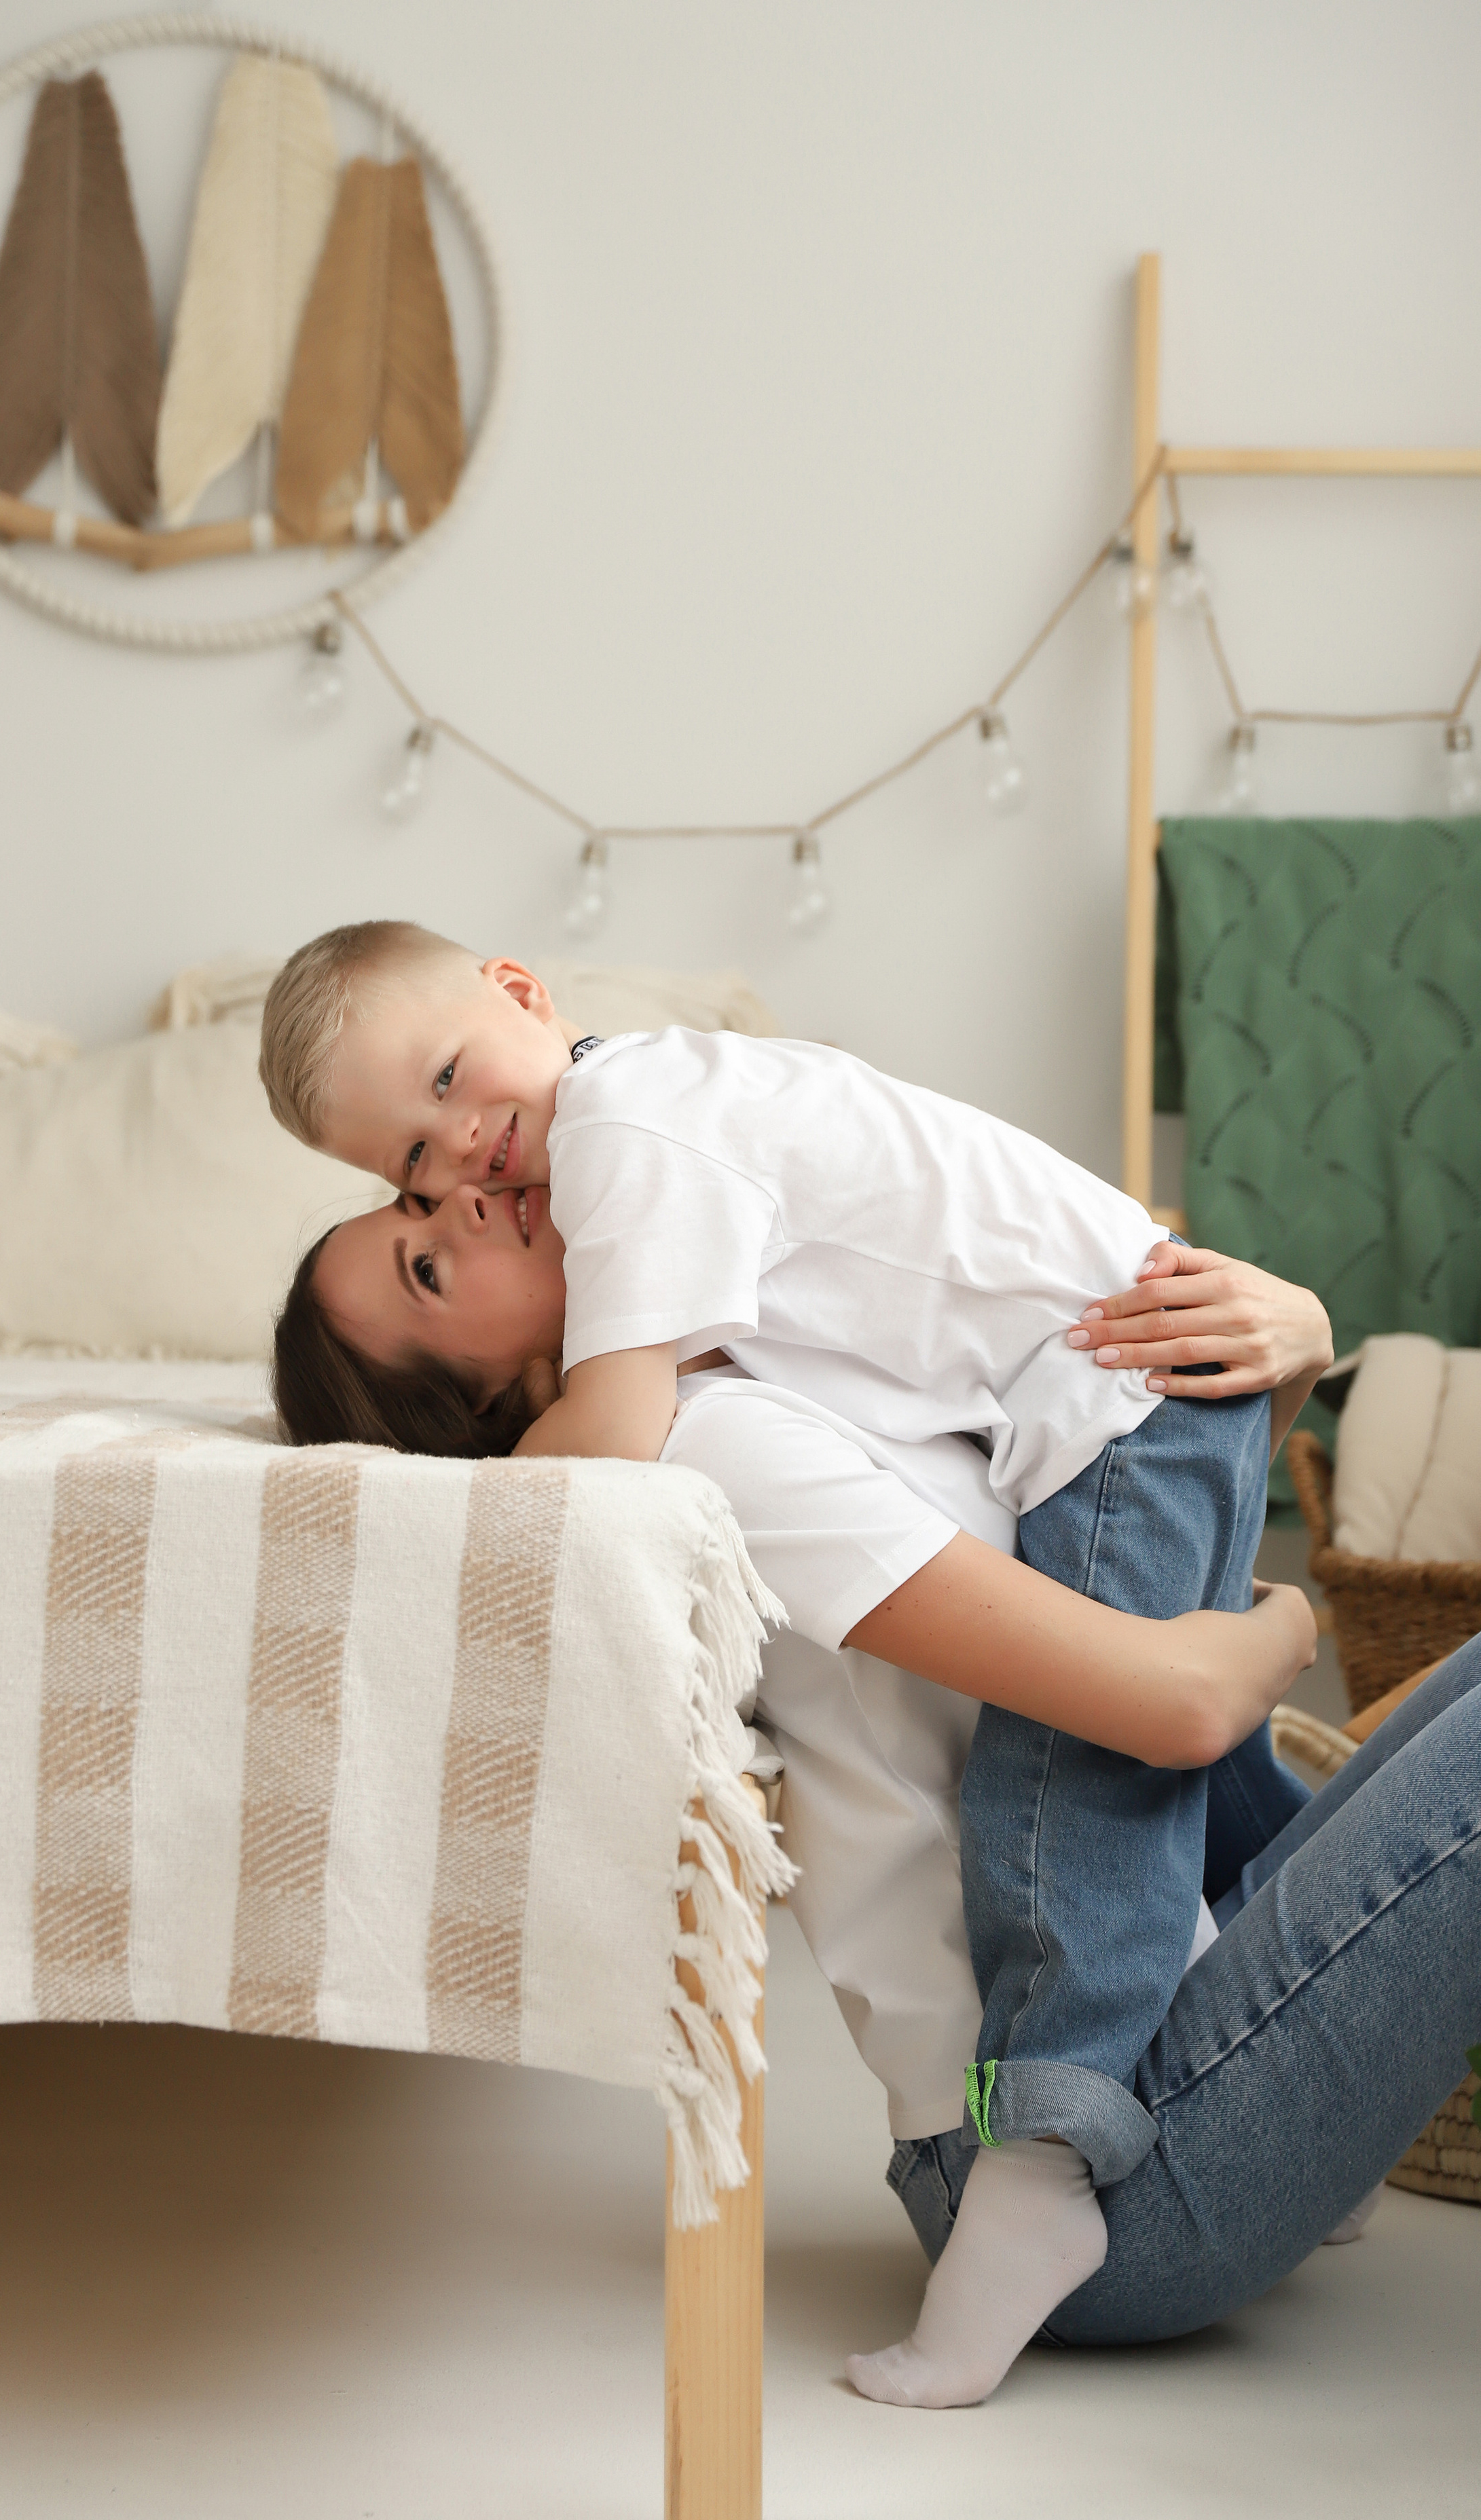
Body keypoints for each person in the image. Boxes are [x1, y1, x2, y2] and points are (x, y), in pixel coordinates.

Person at [259, 920, 1326, 2397]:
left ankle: (1057, 2150)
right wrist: (1285, 1615)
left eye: (450, 1084)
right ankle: (1049, 2154)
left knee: (1069, 1772)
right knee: (1103, 1772)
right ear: (482, 1395)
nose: (465, 1168)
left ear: (519, 993)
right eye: (416, 1204)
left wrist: (1297, 1355)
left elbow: (612, 1429)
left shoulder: (636, 1137)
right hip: (1122, 1407)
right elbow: (1174, 1699)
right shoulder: (713, 1396)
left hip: (1121, 1389)